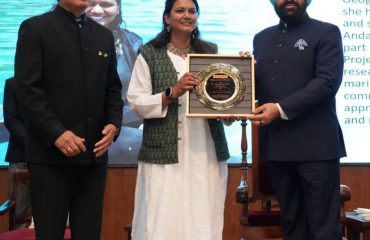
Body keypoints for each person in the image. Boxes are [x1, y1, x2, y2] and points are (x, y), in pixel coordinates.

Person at [13, 0, 123, 238]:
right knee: (50, 233)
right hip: (50, 156)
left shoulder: (103, 35)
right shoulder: (35, 28)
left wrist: (114, 124)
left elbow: (113, 89)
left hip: (94, 157)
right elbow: (27, 89)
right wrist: (57, 133)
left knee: (89, 233)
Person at [127, 0, 230, 239]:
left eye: (192, 11)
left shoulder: (211, 51)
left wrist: (234, 102)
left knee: (203, 214)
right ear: (167, 18)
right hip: (162, 151)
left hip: (206, 148)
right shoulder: (149, 54)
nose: (187, 16)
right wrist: (172, 92)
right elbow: (136, 102)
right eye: (180, 11)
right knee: (162, 216)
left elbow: (223, 100)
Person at [245, 0, 347, 239]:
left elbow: (327, 82)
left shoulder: (327, 32)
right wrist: (243, 72)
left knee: (324, 230)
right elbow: (259, 90)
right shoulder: (261, 38)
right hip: (278, 148)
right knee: (292, 226)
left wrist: (280, 108)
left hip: (317, 150)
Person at [85, 0, 143, 165]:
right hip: (74, 129)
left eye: (105, 4)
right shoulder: (57, 39)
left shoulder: (132, 43)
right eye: (90, 3)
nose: (97, 10)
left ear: (118, 9)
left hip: (124, 125)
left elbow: (146, 92)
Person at [3, 77, 31, 229]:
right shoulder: (13, 83)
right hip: (21, 157)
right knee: (20, 216)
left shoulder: (56, 84)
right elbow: (11, 119)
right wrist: (34, 147)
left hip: (55, 161)